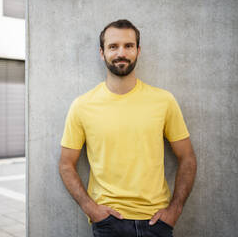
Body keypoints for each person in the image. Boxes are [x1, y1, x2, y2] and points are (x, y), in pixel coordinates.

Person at [58, 19, 197, 237]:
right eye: (113, 46)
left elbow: (187, 157)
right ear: (102, 53)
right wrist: (91, 209)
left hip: (157, 223)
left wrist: (175, 210)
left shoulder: (164, 101)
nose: (121, 52)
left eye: (128, 46)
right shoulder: (82, 106)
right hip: (108, 223)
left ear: (138, 51)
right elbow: (66, 164)